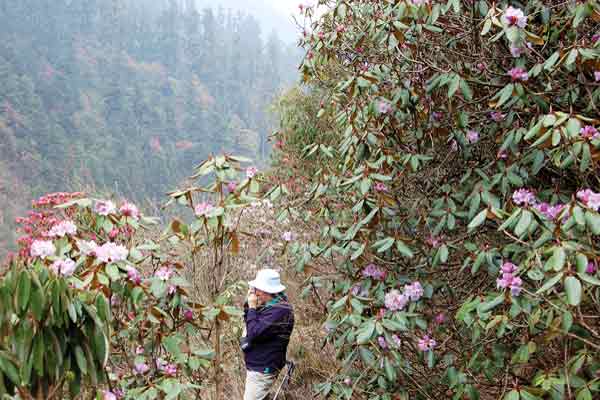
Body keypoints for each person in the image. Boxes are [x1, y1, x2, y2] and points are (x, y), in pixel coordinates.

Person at [242, 269, 294, 400]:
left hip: (263, 368)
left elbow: (253, 333)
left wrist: (253, 307)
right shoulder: (272, 305)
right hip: (259, 364)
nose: (256, 293)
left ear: (268, 291)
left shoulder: (279, 311)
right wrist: (249, 305)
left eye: (258, 289)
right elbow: (249, 322)